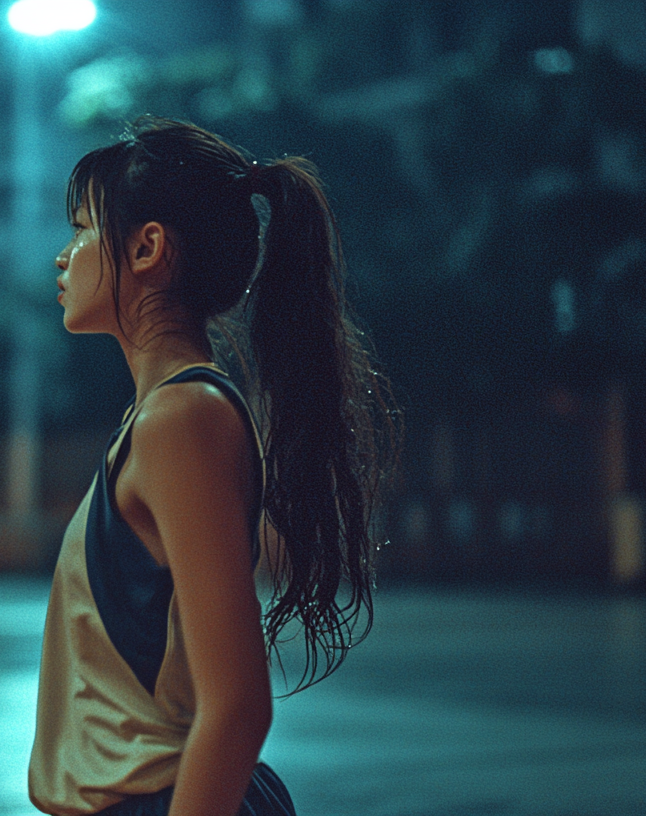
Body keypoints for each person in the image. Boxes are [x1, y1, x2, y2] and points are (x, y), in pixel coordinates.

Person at [29, 116, 396, 816]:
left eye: (80, 230)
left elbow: (235, 707)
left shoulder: (183, 419)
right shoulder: (162, 418)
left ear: (146, 248)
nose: (63, 256)